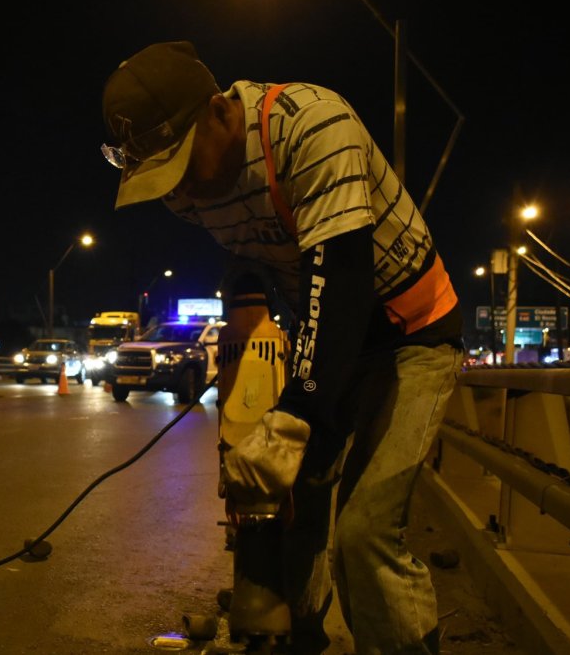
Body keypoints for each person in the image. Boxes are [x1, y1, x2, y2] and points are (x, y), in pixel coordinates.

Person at [101, 41, 463, 654]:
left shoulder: (313, 128)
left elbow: (340, 276)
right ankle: (294, 637)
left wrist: (297, 414)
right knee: (291, 504)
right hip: (330, 333)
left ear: (219, 111)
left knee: (365, 534)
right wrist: (247, 317)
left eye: (182, 164)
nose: (180, 190)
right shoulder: (185, 192)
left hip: (411, 329)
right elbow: (251, 256)